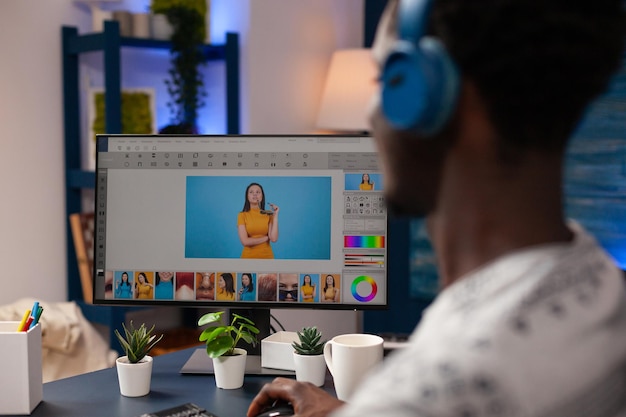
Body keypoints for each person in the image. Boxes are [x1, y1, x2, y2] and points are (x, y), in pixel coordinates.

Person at [248, 1, 626, 416]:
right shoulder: (601, 282)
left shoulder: (427, 394)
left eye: (385, 78)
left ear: (425, 93)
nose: (371, 115)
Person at [237, 183, 279, 259]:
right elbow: (245, 242)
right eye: (251, 192)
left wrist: (275, 216)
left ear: (262, 196)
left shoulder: (268, 214)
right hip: (248, 256)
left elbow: (273, 238)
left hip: (267, 256)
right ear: (247, 196)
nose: (255, 194)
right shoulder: (242, 215)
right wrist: (265, 238)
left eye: (258, 192)